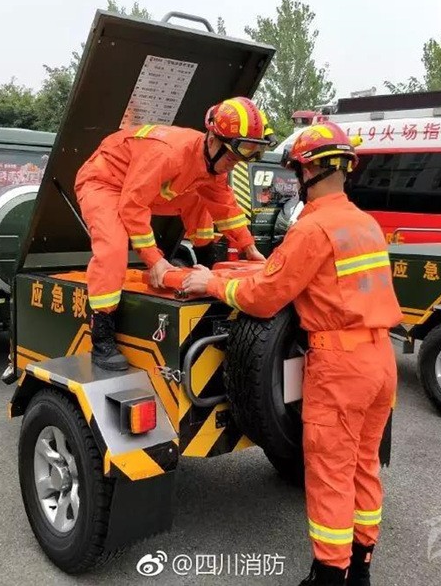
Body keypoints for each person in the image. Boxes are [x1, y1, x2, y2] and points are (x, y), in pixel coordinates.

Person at [183, 122, 402, 586]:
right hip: (381, 360)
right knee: (363, 466)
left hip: (340, 367)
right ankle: (360, 567)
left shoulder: (312, 228)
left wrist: (211, 283)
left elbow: (264, 297)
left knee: (330, 472)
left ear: (307, 171)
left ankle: (329, 575)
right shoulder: (365, 223)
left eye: (297, 171)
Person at [75, 96, 273, 370]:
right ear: (212, 140)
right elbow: (133, 206)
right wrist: (155, 261)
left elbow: (225, 206)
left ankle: (206, 261)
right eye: (231, 157)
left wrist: (249, 249)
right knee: (113, 248)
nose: (233, 164)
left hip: (139, 185)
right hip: (104, 182)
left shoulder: (209, 164)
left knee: (201, 200)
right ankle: (102, 333)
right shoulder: (168, 154)